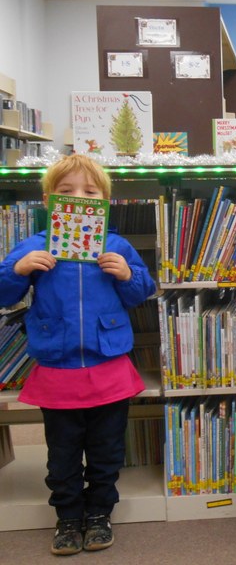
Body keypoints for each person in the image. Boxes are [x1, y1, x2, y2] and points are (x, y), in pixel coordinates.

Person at [0, 154, 156, 556]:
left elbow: (142, 293)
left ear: (104, 202)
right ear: (49, 200)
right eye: (66, 191)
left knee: (107, 451)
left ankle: (100, 514)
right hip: (58, 366)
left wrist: (128, 273)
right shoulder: (33, 246)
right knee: (63, 452)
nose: (78, 198)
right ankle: (68, 517)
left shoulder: (116, 245)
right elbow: (3, 296)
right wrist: (17, 270)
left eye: (89, 192)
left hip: (109, 365)